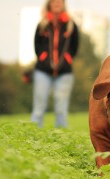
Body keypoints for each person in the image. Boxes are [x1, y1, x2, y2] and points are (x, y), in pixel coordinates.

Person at [32, 0, 79, 128]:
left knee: (61, 109)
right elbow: (37, 46)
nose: (57, 3)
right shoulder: (42, 25)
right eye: (54, 1)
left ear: (63, 4)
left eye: (60, 1)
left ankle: (62, 138)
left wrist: (67, 59)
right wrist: (44, 58)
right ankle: (32, 136)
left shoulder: (71, 25)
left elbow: (75, 46)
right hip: (42, 71)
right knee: (39, 107)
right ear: (49, 4)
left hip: (64, 73)